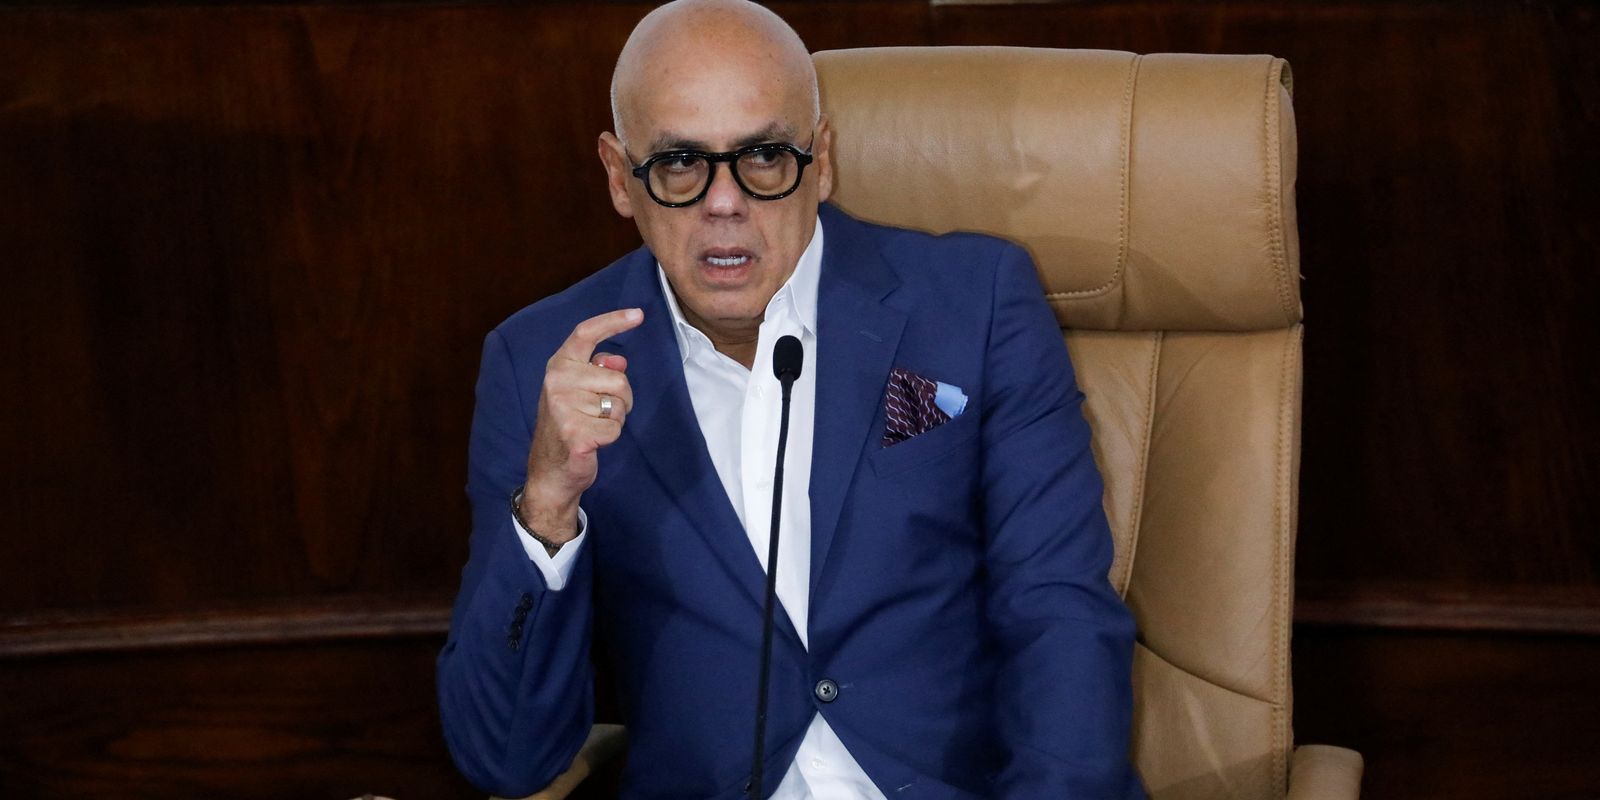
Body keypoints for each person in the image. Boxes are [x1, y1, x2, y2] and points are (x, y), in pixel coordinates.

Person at [437, 1, 1145, 797]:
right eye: (679, 162)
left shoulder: (974, 305)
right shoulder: (542, 364)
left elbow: (1058, 615)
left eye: (766, 156)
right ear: (618, 175)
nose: (724, 202)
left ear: (823, 160)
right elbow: (505, 759)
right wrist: (547, 506)